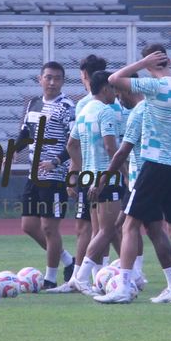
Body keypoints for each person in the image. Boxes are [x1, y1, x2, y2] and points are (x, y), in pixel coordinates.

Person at [96, 44, 171, 304]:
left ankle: (124, 287)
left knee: (129, 225)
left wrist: (142, 64)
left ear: (151, 63)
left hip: (153, 165)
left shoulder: (155, 88)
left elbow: (114, 79)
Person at [48, 71, 122, 294]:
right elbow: (111, 148)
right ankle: (80, 278)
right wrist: (122, 172)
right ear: (106, 89)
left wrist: (80, 168)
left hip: (88, 177)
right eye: (114, 89)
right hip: (106, 177)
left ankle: (97, 279)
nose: (116, 94)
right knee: (108, 231)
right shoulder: (105, 111)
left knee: (99, 229)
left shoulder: (84, 110)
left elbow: (71, 145)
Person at [14, 61, 75, 289]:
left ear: (62, 81)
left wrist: (56, 161)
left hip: (55, 176)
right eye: (48, 77)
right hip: (34, 174)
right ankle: (69, 261)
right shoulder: (34, 103)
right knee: (28, 226)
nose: (52, 82)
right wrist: (12, 152)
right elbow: (26, 132)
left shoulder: (67, 106)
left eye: (57, 78)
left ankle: (50, 279)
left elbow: (74, 141)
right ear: (40, 79)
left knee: (50, 227)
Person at [70, 54, 107, 283]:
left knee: (94, 228)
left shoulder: (85, 104)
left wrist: (74, 174)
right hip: (110, 172)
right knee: (108, 228)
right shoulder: (114, 100)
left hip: (94, 173)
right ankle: (103, 276)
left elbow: (76, 143)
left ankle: (83, 278)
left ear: (84, 76)